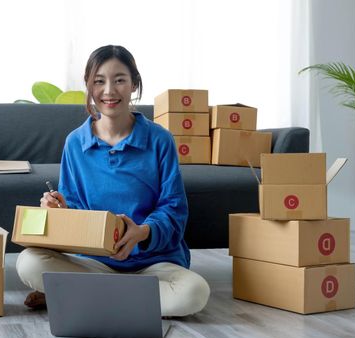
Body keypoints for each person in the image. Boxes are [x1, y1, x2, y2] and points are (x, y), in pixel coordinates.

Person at [16, 45, 210, 317]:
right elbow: (74, 209)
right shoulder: (75, 143)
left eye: (119, 80)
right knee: (27, 263)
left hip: (152, 264)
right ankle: (125, 297)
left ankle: (74, 294)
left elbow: (174, 210)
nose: (109, 90)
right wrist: (59, 213)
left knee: (194, 293)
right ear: (88, 85)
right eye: (99, 81)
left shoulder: (160, 140)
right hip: (94, 263)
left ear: (134, 84)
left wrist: (142, 233)